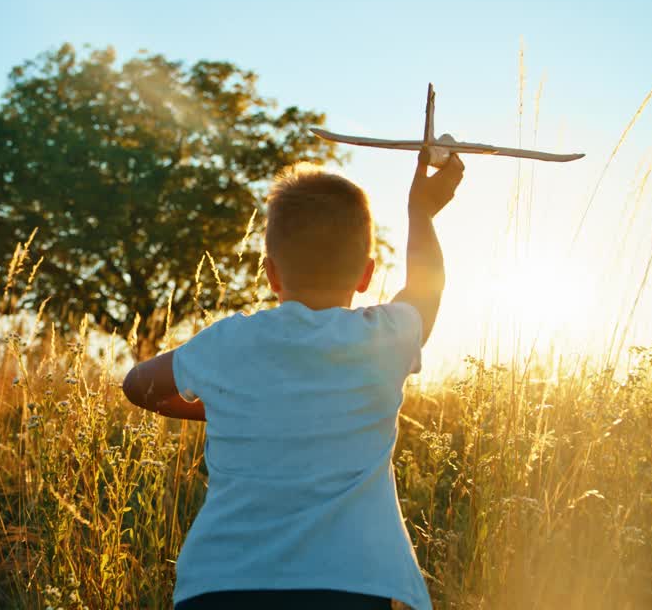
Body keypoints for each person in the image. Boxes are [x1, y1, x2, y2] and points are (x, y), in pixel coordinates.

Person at [122, 147, 465, 610]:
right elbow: (427, 287)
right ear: (366, 275)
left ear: (271, 274)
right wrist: (420, 211)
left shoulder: (229, 342)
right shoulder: (381, 340)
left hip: (221, 585)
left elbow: (138, 384)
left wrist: (230, 406)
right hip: (349, 584)